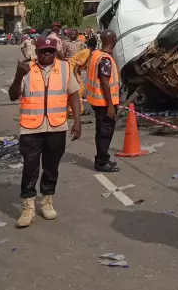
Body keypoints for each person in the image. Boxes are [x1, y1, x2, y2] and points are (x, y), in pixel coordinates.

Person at [8, 36, 81, 227]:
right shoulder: (26, 69)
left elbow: (73, 93)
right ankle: (28, 206)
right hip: (31, 128)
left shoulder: (65, 68)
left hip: (57, 127)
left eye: (50, 51)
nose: (47, 54)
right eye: (43, 51)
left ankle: (47, 201)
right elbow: (12, 95)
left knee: (51, 166)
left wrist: (78, 121)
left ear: (55, 51)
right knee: (30, 168)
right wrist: (18, 76)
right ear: (37, 52)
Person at [86, 30, 122, 172]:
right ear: (113, 40)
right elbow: (105, 82)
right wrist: (110, 106)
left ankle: (103, 157)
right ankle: (101, 162)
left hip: (96, 101)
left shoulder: (96, 54)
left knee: (101, 131)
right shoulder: (105, 59)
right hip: (104, 103)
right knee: (105, 133)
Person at [68, 35, 98, 111]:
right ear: (95, 46)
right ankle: (73, 109)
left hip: (70, 68)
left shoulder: (87, 52)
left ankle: (78, 109)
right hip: (70, 68)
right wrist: (75, 79)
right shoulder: (87, 53)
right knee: (80, 88)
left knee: (78, 87)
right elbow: (76, 66)